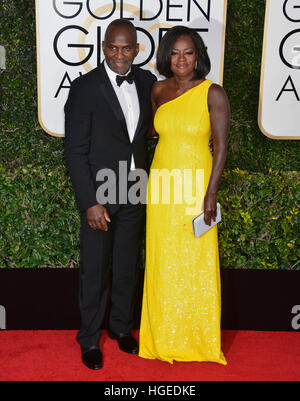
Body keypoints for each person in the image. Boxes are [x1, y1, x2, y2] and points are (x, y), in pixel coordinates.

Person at [64, 19, 156, 370]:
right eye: (113, 47)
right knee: (95, 269)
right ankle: (89, 338)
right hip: (100, 193)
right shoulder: (85, 87)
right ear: (104, 48)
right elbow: (75, 150)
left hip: (135, 187)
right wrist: (90, 201)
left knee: (127, 266)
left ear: (137, 49)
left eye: (126, 48)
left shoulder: (146, 82)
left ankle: (120, 328)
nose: (120, 54)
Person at [139, 26, 230, 364]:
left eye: (188, 52)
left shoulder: (213, 93)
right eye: (175, 53)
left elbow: (221, 147)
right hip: (162, 186)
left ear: (198, 56)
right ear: (166, 56)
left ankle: (198, 339)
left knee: (195, 260)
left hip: (196, 188)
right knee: (163, 261)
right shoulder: (158, 90)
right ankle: (162, 336)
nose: (181, 59)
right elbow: (153, 131)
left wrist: (211, 194)